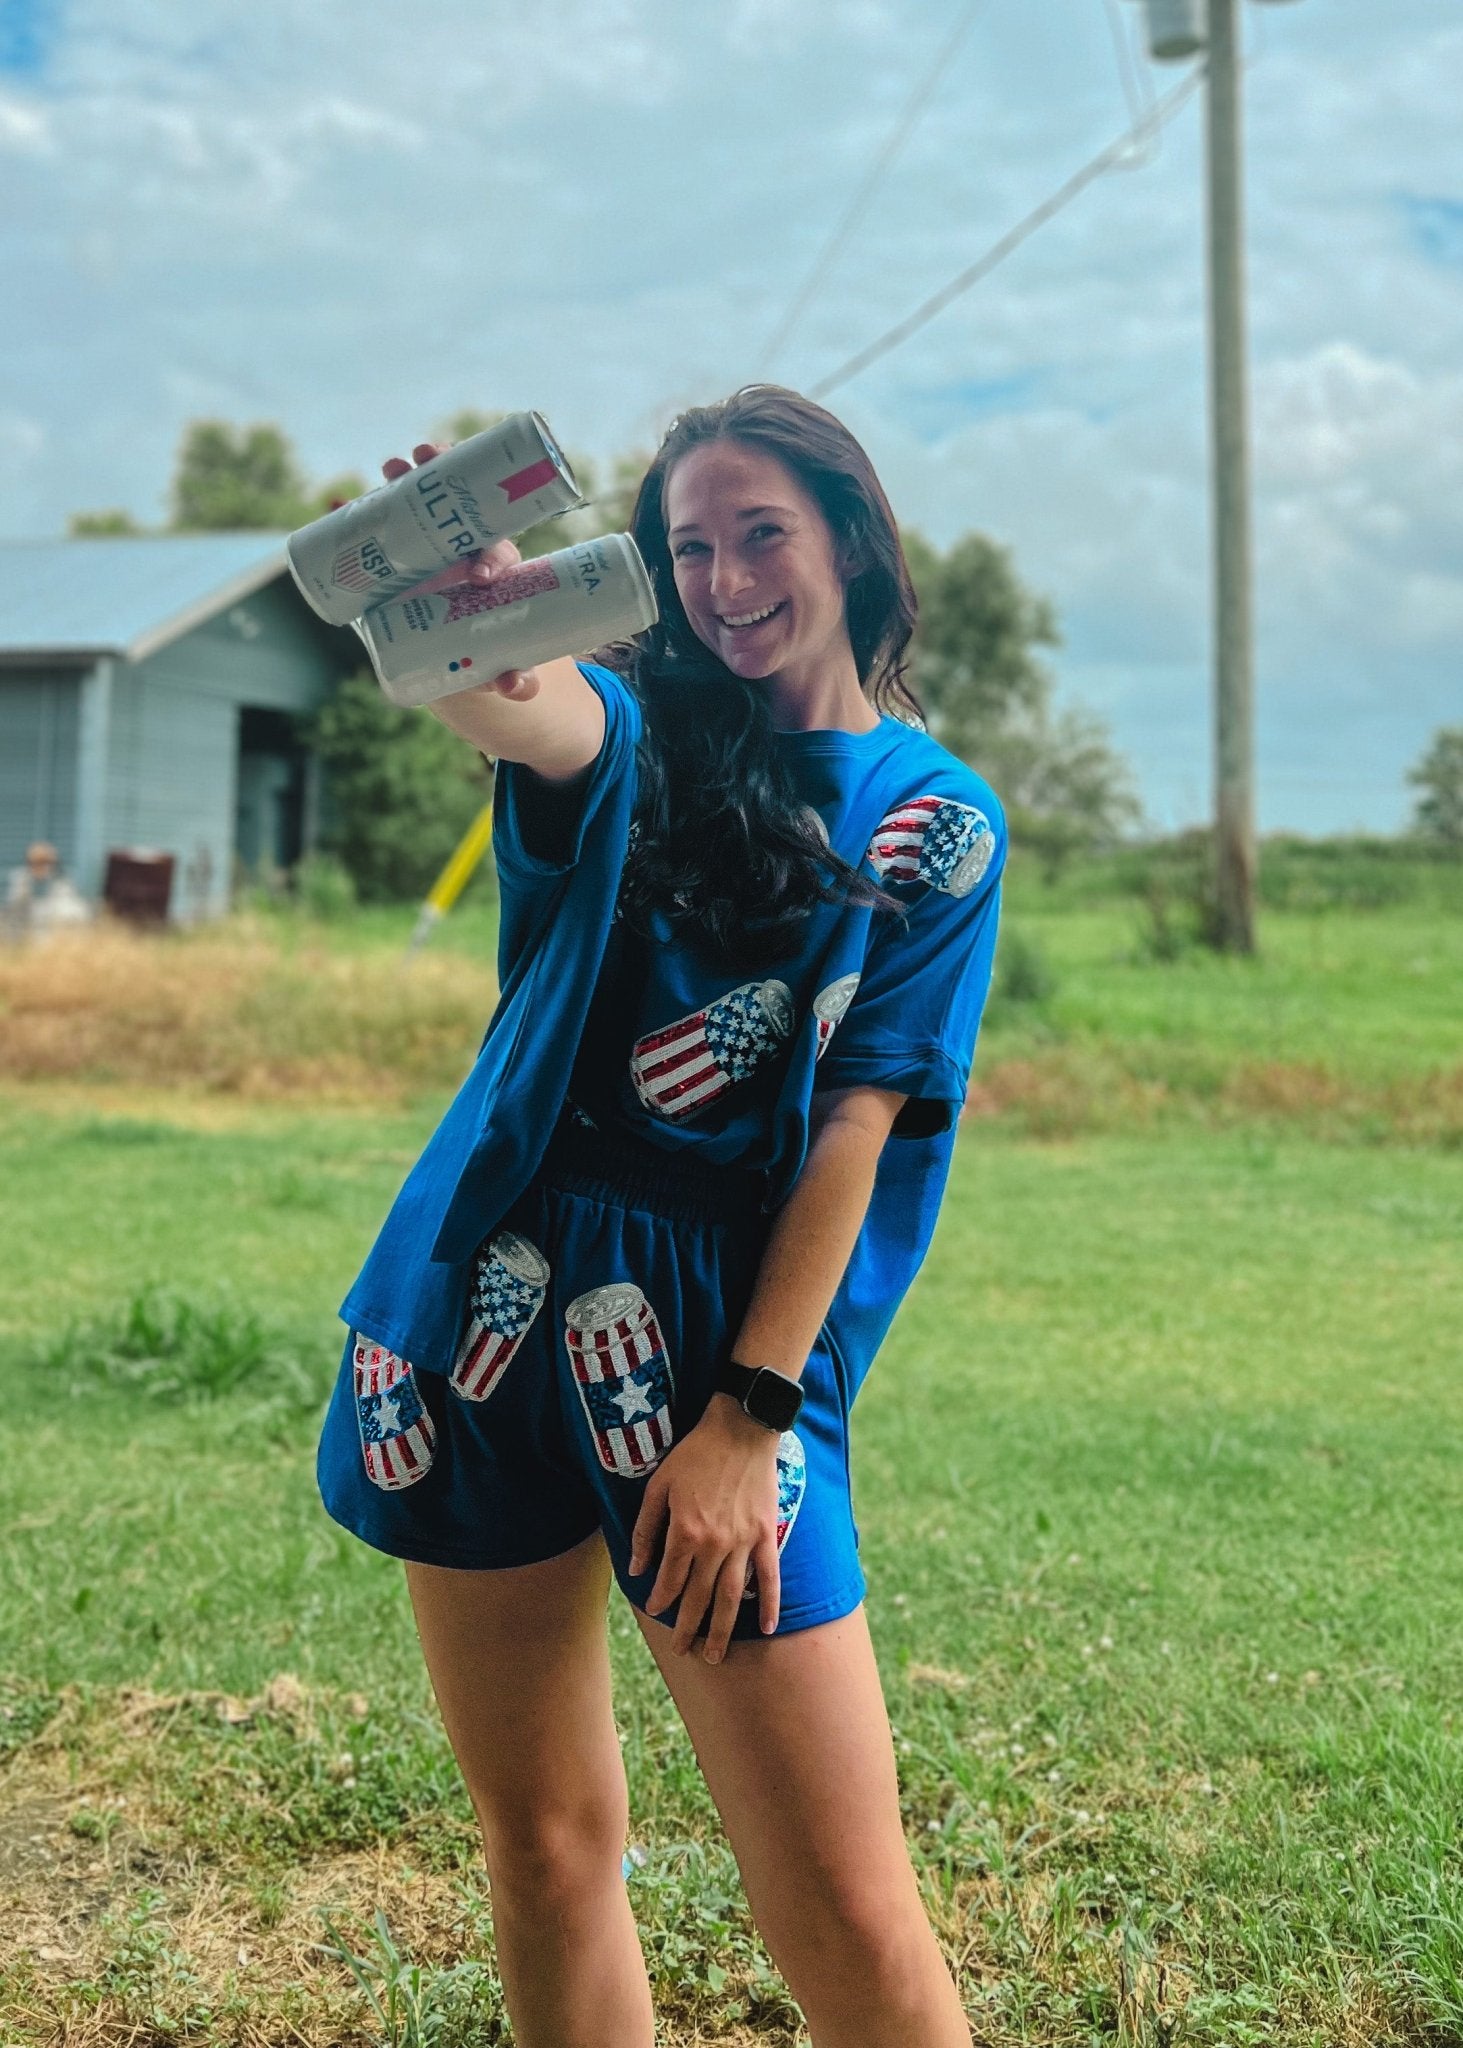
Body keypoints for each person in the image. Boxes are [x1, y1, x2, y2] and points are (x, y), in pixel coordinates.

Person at [315, 385, 1007, 2047]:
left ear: (851, 541)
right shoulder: (638, 726)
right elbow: (525, 707)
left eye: (762, 533)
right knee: (545, 1851)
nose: (725, 579)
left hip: (712, 1350)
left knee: (845, 1912)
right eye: (688, 547)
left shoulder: (935, 822)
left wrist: (751, 1419)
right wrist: (466, 610)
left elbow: (857, 1129)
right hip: (472, 1310)